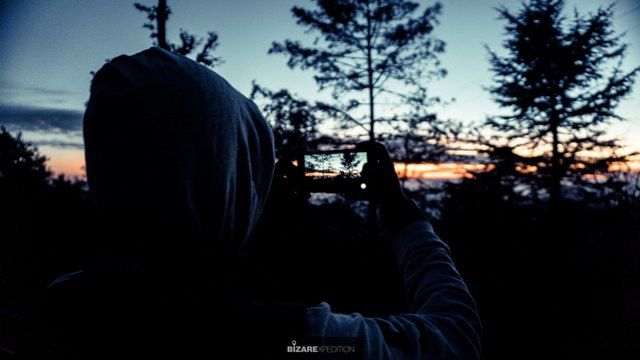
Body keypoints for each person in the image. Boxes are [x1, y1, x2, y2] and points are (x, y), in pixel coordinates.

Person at [18, 47, 481, 359]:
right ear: (231, 178)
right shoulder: (301, 340)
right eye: (247, 166)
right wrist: (401, 213)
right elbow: (455, 337)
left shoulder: (58, 303)